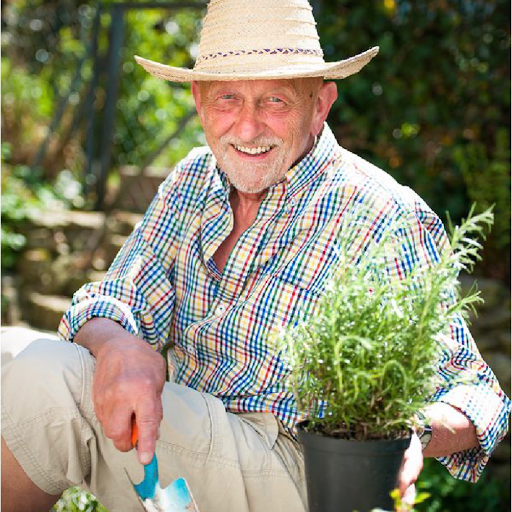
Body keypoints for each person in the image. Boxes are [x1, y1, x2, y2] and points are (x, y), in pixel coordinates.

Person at [2, 1, 510, 511]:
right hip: (182, 449)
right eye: (227, 98)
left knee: (45, 378)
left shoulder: (381, 214)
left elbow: (481, 395)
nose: (246, 129)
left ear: (320, 104)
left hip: (299, 472)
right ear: (199, 101)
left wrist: (410, 432)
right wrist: (116, 344)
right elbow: (115, 299)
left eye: (274, 100)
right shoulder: (193, 180)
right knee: (9, 356)